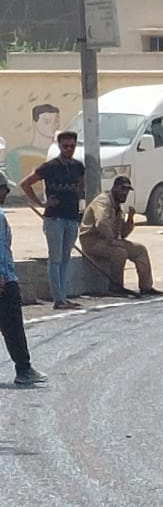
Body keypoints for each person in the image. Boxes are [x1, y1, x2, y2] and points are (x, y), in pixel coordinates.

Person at [19, 130, 85, 310]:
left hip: (71, 217)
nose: (69, 149)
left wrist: (77, 200)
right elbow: (25, 183)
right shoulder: (49, 167)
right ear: (59, 146)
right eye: (65, 146)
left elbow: (80, 184)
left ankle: (63, 295)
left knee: (65, 258)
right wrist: (42, 203)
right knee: (55, 258)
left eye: (72, 146)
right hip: (54, 218)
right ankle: (58, 298)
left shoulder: (78, 167)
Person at [79, 175, 163, 298]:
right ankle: (116, 286)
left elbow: (123, 233)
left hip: (109, 240)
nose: (125, 193)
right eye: (122, 189)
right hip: (92, 242)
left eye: (127, 190)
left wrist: (130, 219)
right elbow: (101, 223)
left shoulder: (118, 207)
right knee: (119, 252)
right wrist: (111, 240)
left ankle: (146, 286)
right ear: (115, 188)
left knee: (140, 250)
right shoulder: (103, 201)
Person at [0, 176, 47, 386]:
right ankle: (24, 369)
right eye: (4, 190)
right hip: (4, 280)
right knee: (13, 328)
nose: (6, 194)